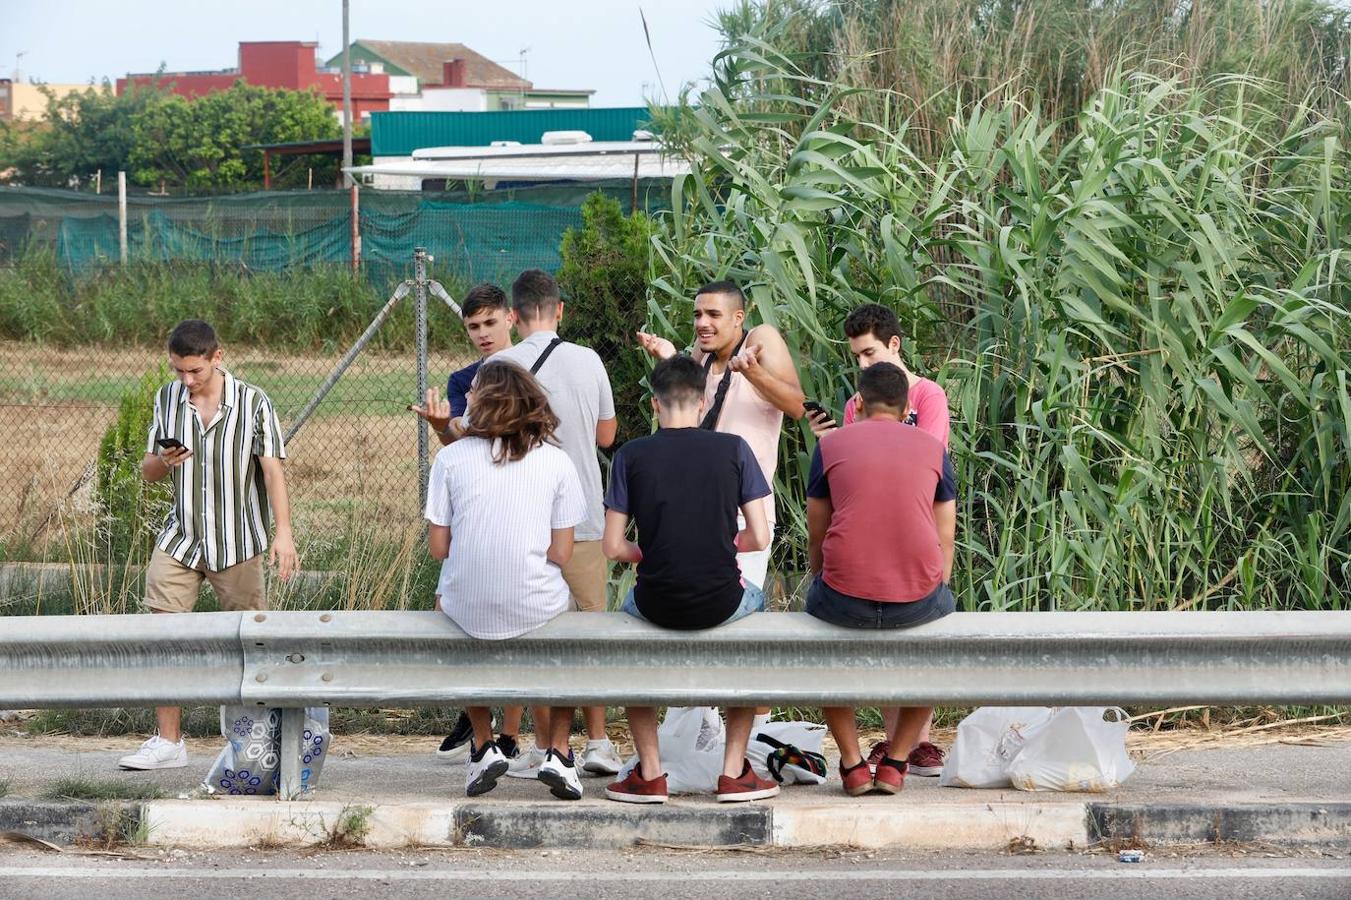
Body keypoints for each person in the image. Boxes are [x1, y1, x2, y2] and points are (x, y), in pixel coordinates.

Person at [600, 355, 781, 805]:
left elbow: (612, 547)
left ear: (654, 405)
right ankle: (735, 772)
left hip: (656, 601)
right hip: (722, 601)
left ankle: (650, 772)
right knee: (755, 622)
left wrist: (651, 551)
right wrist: (719, 543)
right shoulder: (734, 449)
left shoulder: (631, 455)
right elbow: (759, 537)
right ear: (701, 402)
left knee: (629, 639)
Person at [118, 319, 297, 771]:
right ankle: (168, 741)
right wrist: (163, 459)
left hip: (237, 540)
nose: (186, 380)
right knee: (164, 636)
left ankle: (256, 742)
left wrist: (284, 533)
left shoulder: (255, 403)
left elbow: (273, 472)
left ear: (218, 357)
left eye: (194, 371)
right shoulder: (166, 398)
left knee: (249, 642)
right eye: (178, 370)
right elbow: (148, 471)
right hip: (182, 537)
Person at [424, 360, 589, 800]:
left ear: (483, 402)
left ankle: (482, 742)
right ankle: (559, 750)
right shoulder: (556, 462)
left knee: (444, 602)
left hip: (467, 607)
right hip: (536, 604)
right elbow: (562, 553)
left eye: (474, 391)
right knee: (573, 632)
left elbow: (439, 549)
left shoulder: (450, 458)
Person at [805, 302, 952, 778]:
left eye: (869, 354)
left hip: (913, 529)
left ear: (895, 344)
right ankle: (896, 745)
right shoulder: (854, 405)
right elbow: (858, 476)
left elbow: (925, 461)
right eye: (857, 357)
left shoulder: (928, 396)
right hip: (890, 540)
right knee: (918, 608)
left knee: (911, 628)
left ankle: (915, 744)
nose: (863, 365)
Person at [491, 269, 624, 779]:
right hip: (585, 514)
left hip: (523, 522)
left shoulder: (500, 365)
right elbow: (608, 435)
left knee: (536, 632)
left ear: (515, 316)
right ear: (560, 309)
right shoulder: (588, 359)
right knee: (590, 630)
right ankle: (597, 741)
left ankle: (547, 745)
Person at [410, 282, 528, 764]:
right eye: (473, 327)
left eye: (489, 323)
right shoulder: (464, 380)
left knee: (522, 630)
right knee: (455, 615)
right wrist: (442, 426)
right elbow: (462, 444)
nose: (482, 334)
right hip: (478, 513)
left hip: (523, 509)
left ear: (511, 319)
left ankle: (511, 735)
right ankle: (478, 723)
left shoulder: (533, 368)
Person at [635, 280, 805, 594]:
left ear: (738, 317)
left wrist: (754, 374)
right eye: (698, 314)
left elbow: (797, 405)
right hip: (696, 507)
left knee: (737, 602)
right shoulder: (704, 352)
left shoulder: (760, 338)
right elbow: (689, 410)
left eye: (713, 314)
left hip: (745, 516)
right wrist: (671, 359)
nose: (702, 323)